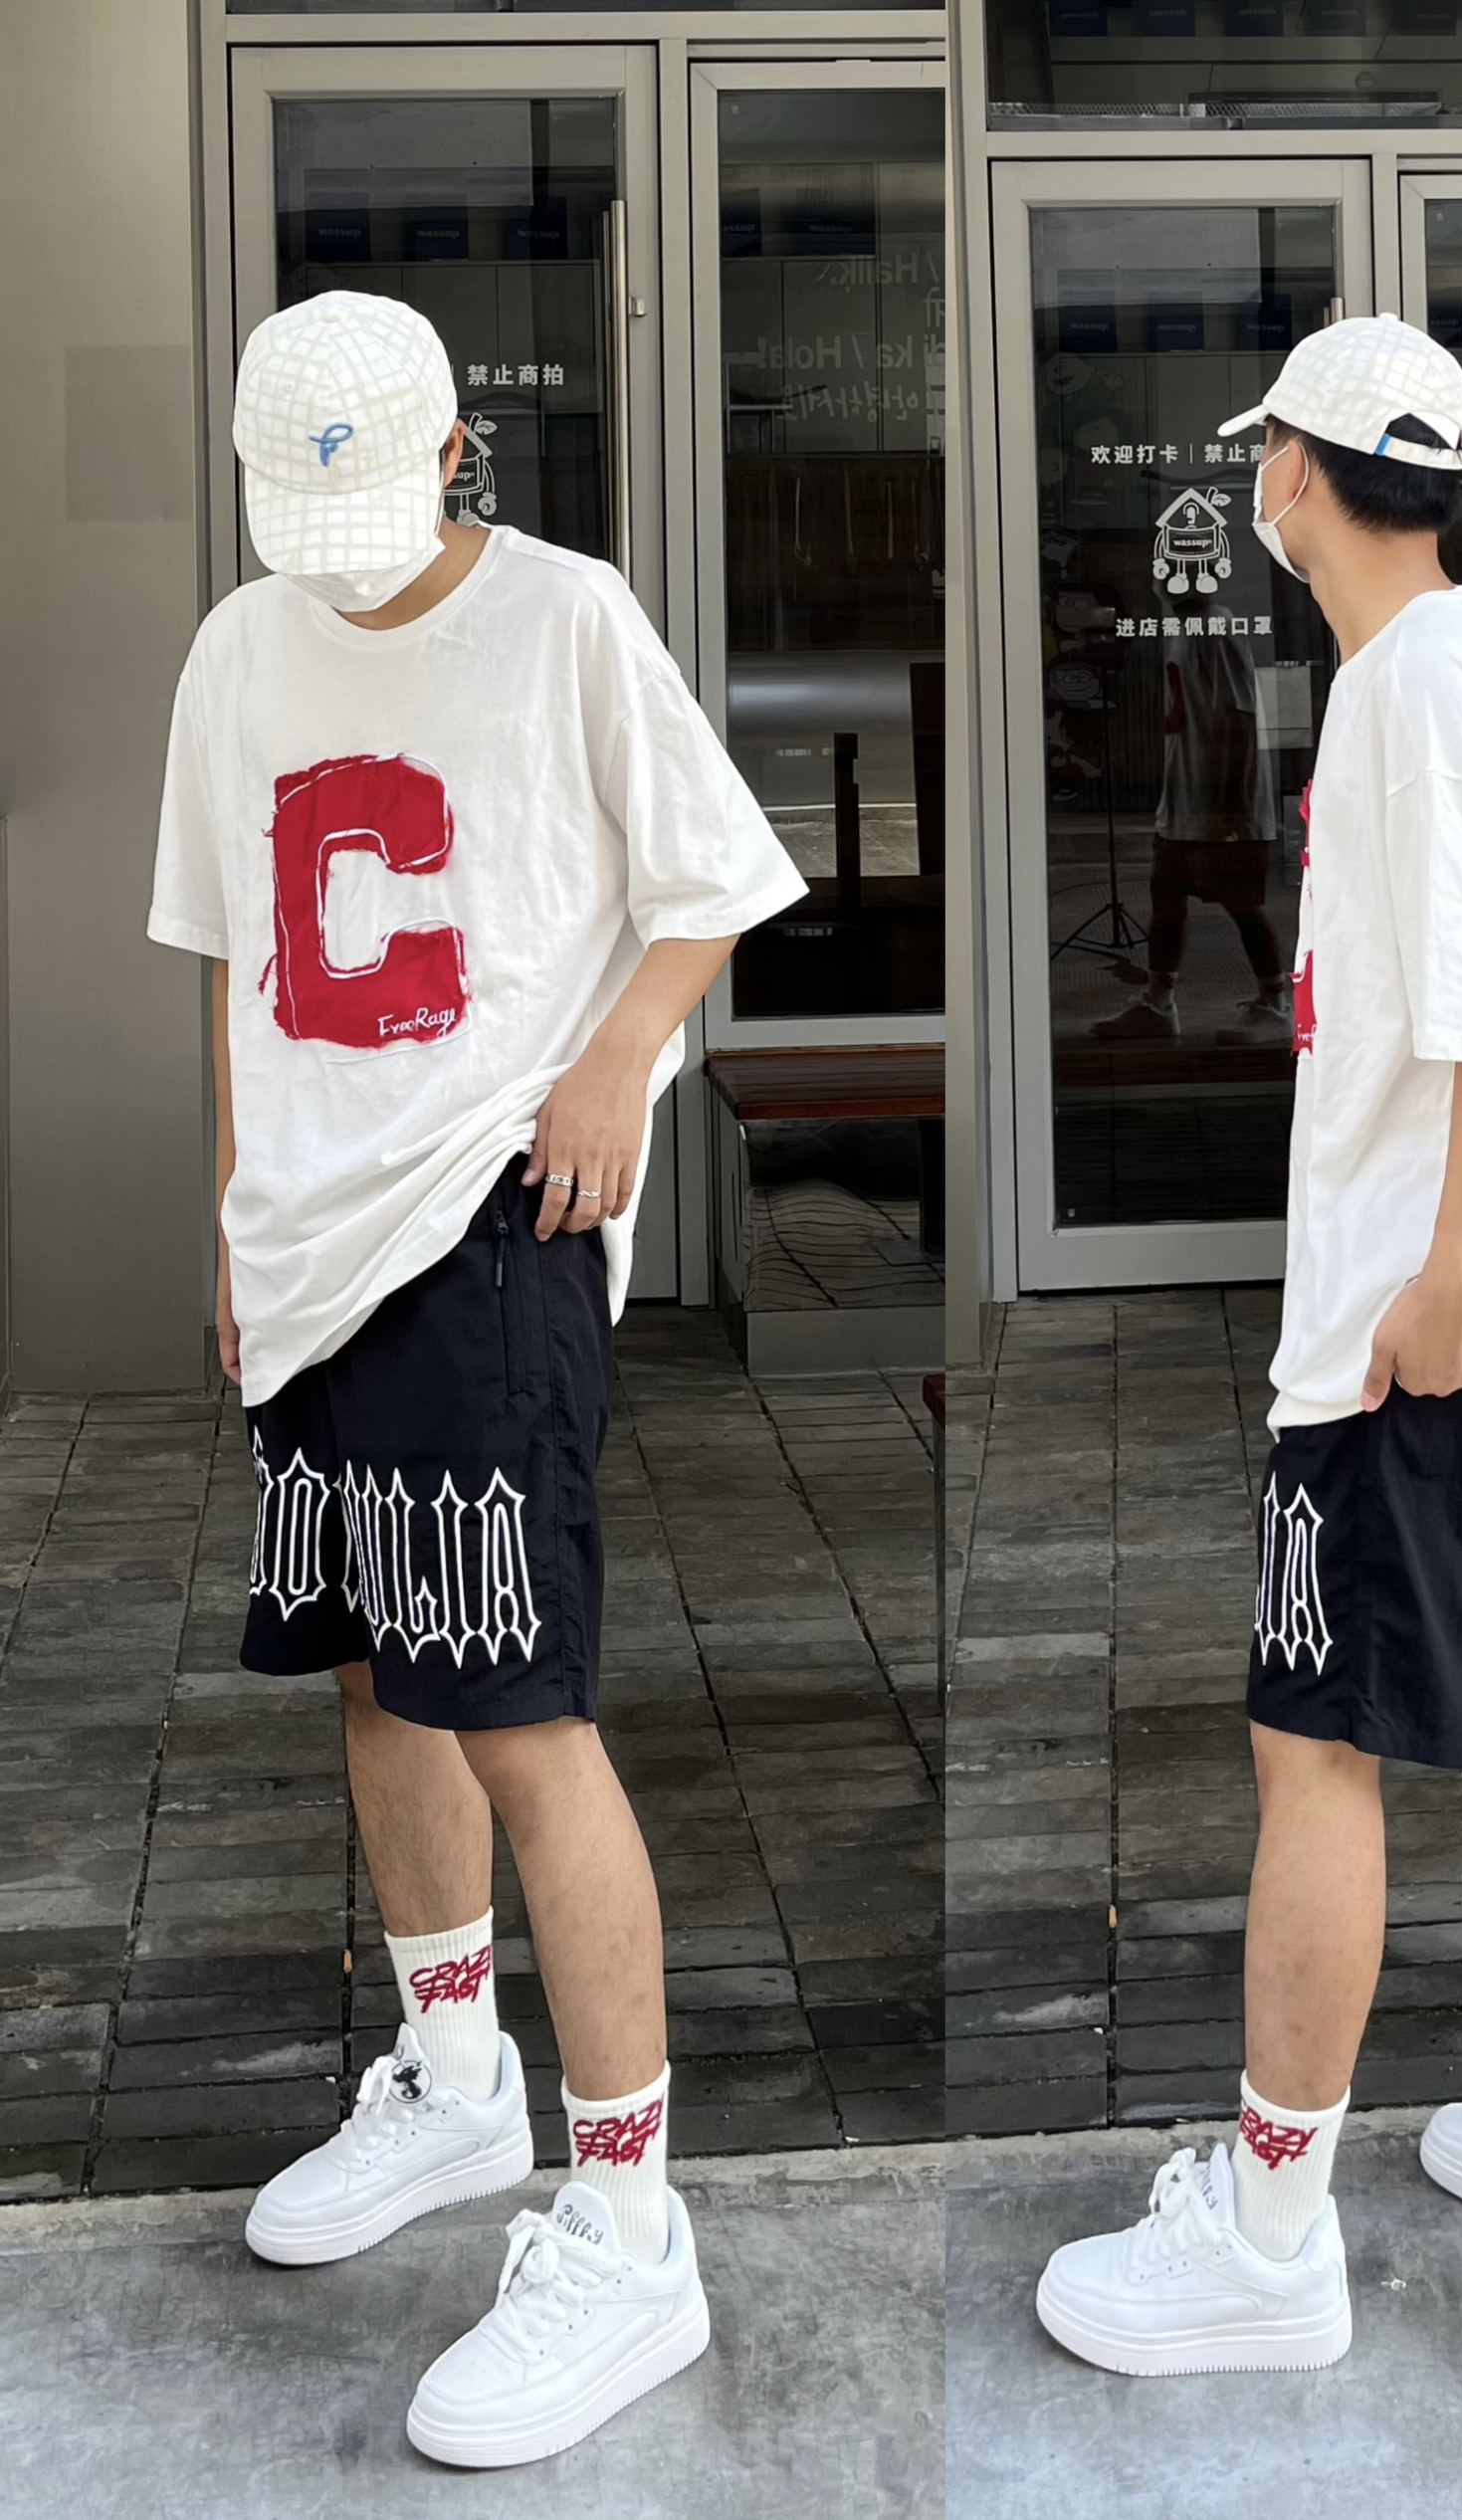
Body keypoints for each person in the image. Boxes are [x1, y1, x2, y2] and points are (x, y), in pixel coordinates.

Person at [147, 292, 807, 2465]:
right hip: (310, 1246)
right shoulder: (237, 652)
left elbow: (710, 882)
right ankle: (452, 2076)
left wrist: (615, 1060)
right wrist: (238, 1214)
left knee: (523, 1715)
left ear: (453, 454)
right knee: (375, 1672)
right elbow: (241, 966)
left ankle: (628, 2226)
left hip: (488, 1226)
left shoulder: (566, 617)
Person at [1034, 315, 1462, 2380]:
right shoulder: (1437, 666)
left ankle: (1265, 2235)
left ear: (1295, 475)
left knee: (1309, 1746)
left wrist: (1443, 1284)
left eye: (1267, 458)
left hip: (1423, 1339)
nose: (1259, 487)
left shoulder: (1413, 688)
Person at [1091, 586, 1290, 1044]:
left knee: (1242, 902)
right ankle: (1158, 1003)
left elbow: (1239, 717)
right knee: (1166, 894)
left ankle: (1274, 1004)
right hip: (1187, 794)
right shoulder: (1182, 628)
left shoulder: (1216, 628)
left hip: (1218, 799)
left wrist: (1231, 802)